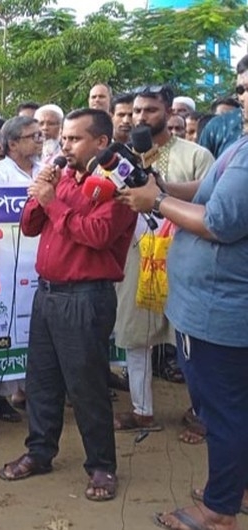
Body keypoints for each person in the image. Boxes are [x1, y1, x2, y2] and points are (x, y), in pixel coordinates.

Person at [116, 57, 248, 529]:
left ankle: (219, 510)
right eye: (242, 87)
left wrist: (158, 202)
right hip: (218, 302)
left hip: (221, 308)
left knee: (223, 410)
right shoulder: (240, 144)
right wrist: (166, 187)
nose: (245, 97)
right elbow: (210, 190)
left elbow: (219, 223)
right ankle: (236, 485)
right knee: (237, 406)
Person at [0, 108, 136, 504]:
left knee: (86, 386)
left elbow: (96, 234)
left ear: (101, 142)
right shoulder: (64, 177)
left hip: (86, 297)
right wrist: (45, 192)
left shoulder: (118, 184)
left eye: (74, 139)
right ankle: (40, 452)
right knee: (42, 380)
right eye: (63, 140)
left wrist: (53, 199)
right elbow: (29, 225)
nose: (64, 146)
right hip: (48, 294)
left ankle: (101, 466)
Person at [111, 85, 214, 436]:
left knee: (190, 341)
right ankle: (142, 411)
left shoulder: (196, 155)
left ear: (169, 112)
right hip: (136, 258)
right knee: (135, 337)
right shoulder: (121, 157)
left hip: (183, 261)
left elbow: (208, 207)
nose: (140, 118)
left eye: (150, 110)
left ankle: (203, 414)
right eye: (136, 111)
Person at [0, 116, 43, 184]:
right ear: (12, 145)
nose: (40, 140)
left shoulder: (45, 169)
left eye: (40, 135)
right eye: (34, 136)